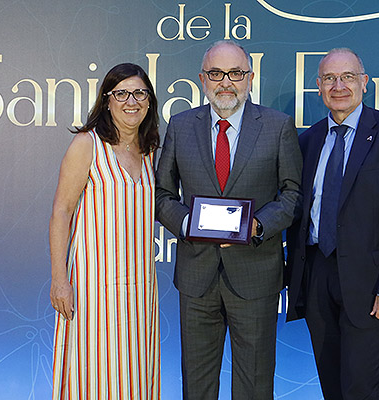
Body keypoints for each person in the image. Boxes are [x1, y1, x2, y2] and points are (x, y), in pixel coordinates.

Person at [155, 40, 302, 400]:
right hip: (196, 277)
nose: (226, 82)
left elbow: (292, 195)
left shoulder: (278, 126)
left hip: (255, 275)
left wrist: (257, 226)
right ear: (202, 79)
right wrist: (189, 224)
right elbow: (161, 196)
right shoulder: (180, 125)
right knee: (197, 385)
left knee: (254, 385)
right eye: (216, 74)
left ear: (249, 78)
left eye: (235, 73)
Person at [286, 48, 379, 400]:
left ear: (364, 83)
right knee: (332, 386)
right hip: (318, 276)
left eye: (347, 77)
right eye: (330, 79)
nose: (339, 86)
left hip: (373, 284)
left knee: (361, 387)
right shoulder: (308, 141)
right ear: (317, 87)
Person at [49, 63, 161, 399]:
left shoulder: (150, 150)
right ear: (107, 100)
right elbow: (61, 211)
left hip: (140, 290)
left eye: (140, 93)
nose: (132, 101)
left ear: (149, 101)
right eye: (122, 93)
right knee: (94, 374)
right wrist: (59, 279)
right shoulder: (88, 145)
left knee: (136, 374)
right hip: (93, 289)